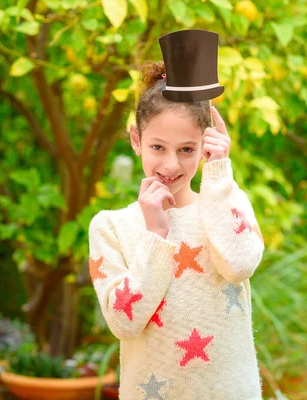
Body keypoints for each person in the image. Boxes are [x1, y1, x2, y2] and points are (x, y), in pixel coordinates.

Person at [88, 32, 264, 399]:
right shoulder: (111, 227)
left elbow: (239, 264)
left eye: (187, 149)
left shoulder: (228, 204)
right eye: (157, 147)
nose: (171, 163)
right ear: (136, 140)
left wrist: (219, 176)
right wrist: (155, 234)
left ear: (206, 145)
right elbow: (124, 321)